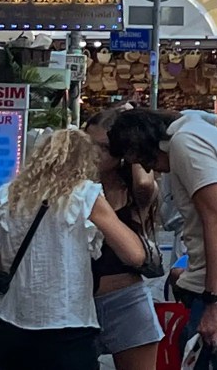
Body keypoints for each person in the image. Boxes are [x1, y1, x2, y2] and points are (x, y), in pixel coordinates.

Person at [108, 110, 217, 369]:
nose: (151, 169)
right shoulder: (208, 135)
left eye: (142, 159)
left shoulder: (185, 143)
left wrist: (213, 300)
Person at [0, 129, 148, 370]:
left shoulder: (6, 196)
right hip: (68, 323)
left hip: (12, 322)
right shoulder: (84, 195)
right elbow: (134, 254)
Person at [85, 110, 164, 370]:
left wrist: (133, 138)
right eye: (89, 145)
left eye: (106, 147)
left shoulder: (131, 187)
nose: (96, 154)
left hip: (124, 297)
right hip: (79, 299)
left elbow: (144, 183)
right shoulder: (74, 187)